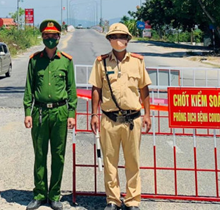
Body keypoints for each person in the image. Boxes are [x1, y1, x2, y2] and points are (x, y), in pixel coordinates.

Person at [89, 23, 152, 210]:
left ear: (128, 40)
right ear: (109, 39)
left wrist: (148, 114)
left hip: (133, 119)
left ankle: (132, 200)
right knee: (110, 162)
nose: (119, 40)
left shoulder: (137, 62)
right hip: (109, 119)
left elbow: (144, 89)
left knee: (133, 161)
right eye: (115, 36)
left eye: (122, 36)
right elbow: (96, 89)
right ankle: (113, 200)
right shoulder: (101, 62)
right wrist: (94, 114)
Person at [23, 20, 77, 210]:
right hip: (39, 112)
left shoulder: (66, 61)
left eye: (53, 35)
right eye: (46, 35)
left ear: (59, 37)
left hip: (60, 112)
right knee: (40, 154)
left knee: (58, 155)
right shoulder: (34, 60)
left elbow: (71, 89)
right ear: (42, 37)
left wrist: (71, 113)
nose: (50, 38)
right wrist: (27, 112)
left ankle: (54, 195)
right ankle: (39, 194)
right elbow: (29, 88)